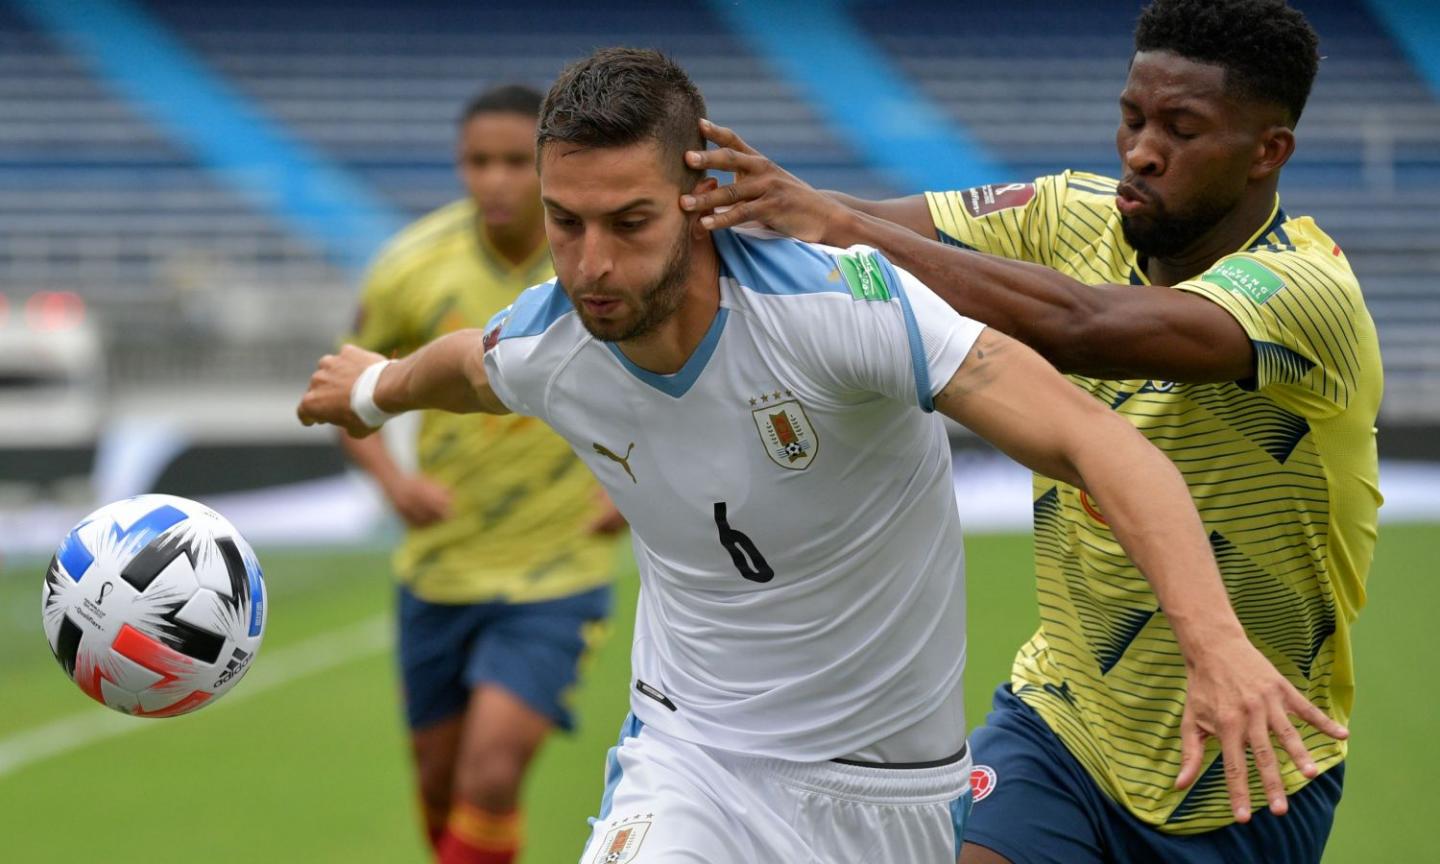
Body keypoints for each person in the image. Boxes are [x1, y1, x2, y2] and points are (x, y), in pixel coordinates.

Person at [300, 47, 1345, 863]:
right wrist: (367, 388)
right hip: (690, 763)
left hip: (893, 796)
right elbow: (461, 365)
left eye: (630, 221)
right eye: (564, 224)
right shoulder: (554, 335)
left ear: (701, 200)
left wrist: (1215, 645)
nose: (593, 264)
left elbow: (1098, 440)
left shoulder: (845, 306)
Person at [678, 1, 1380, 861]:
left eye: (1182, 130)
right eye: (1132, 118)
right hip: (1061, 724)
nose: (1140, 150)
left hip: (1243, 755)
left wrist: (837, 225)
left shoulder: (1307, 293)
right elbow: (857, 230)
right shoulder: (1065, 213)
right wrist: (704, 207)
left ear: (1268, 152)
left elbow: (1084, 326)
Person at [339, 84, 623, 864]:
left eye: (511, 162)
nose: (495, 180)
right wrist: (395, 486)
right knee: (440, 784)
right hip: (440, 566)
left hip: (558, 568)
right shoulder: (411, 266)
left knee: (492, 771)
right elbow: (347, 390)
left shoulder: (601, 267)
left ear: (545, 166)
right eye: (476, 162)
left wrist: (633, 488)